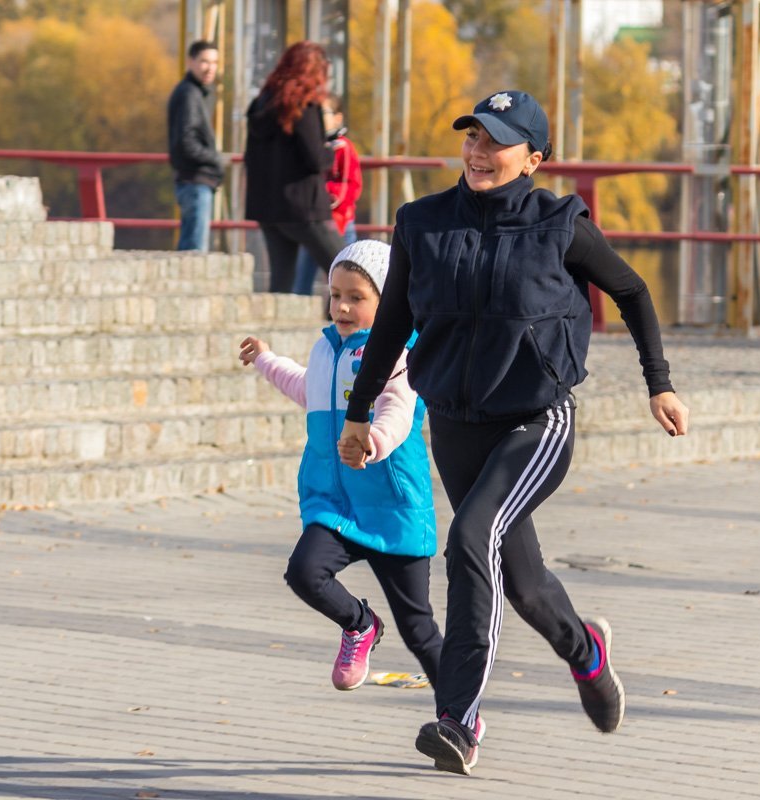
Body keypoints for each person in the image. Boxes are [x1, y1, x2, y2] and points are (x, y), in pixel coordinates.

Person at [338, 90, 690, 776]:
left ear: (533, 159)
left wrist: (660, 382)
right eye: (472, 136)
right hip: (456, 422)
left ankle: (458, 719)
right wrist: (358, 413)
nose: (478, 151)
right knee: (522, 583)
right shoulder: (422, 223)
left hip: (536, 419)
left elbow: (632, 291)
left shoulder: (559, 224)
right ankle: (586, 651)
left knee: (471, 538)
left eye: (496, 141)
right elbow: (392, 323)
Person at [238, 239, 444, 693]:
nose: (342, 307)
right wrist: (267, 359)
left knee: (419, 629)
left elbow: (399, 409)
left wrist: (373, 442)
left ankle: (461, 712)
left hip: (392, 506)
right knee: (304, 572)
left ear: (388, 302)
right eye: (335, 295)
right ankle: (360, 624)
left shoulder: (401, 352)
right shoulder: (326, 349)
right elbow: (306, 387)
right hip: (334, 504)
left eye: (356, 297)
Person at [244, 41, 347, 292]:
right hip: (304, 208)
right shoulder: (303, 106)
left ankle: (274, 321)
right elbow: (315, 158)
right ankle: (342, 316)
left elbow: (250, 158)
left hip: (268, 207)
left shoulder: (260, 104)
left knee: (281, 284)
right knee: (351, 268)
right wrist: (330, 152)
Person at [292, 96, 363, 295]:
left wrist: (325, 195)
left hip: (340, 223)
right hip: (316, 222)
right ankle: (300, 303)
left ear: (338, 118)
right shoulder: (314, 147)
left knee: (348, 276)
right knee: (303, 276)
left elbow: (351, 184)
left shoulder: (343, 148)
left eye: (322, 113)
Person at [167, 40, 223, 252]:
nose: (210, 68)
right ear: (190, 62)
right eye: (204, 62)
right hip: (195, 182)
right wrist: (215, 158)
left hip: (194, 181)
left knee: (191, 249)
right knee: (193, 252)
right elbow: (186, 142)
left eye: (214, 62)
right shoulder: (189, 94)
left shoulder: (193, 92)